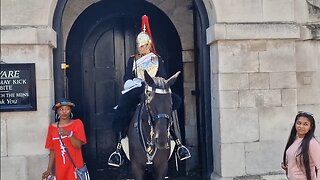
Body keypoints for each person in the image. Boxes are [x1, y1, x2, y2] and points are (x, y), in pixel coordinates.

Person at [108, 15, 191, 167]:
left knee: (173, 104)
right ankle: (118, 149)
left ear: (148, 45)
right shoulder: (132, 60)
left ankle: (179, 144)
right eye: (138, 45)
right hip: (137, 89)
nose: (139, 48)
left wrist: (157, 83)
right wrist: (133, 81)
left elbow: (164, 75)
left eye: (142, 45)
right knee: (122, 108)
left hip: (156, 89)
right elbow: (126, 76)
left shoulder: (157, 59)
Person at [42, 98, 87, 180]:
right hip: (60, 169)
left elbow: (78, 145)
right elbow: (52, 150)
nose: (64, 112)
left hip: (75, 168)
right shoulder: (52, 128)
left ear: (70, 111)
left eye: (67, 109)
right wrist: (49, 169)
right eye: (61, 109)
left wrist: (69, 134)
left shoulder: (77, 123)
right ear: (58, 112)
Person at [281, 111, 320, 180]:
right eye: (299, 123)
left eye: (305, 124)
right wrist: (288, 164)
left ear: (310, 127)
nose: (301, 126)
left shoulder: (312, 143)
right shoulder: (294, 140)